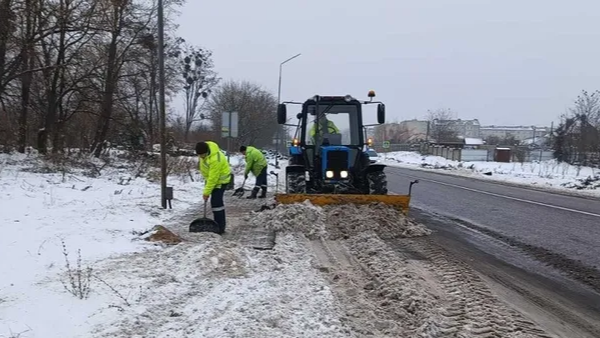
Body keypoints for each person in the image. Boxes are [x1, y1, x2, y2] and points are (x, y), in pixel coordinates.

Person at [195, 141, 231, 234]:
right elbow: (209, 175)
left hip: (221, 181)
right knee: (215, 203)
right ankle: (218, 226)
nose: (201, 157)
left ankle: (220, 227)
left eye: (202, 155)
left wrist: (206, 192)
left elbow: (213, 178)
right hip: (213, 179)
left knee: (216, 203)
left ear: (206, 152)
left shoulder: (215, 159)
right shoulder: (205, 151)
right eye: (199, 155)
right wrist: (207, 186)